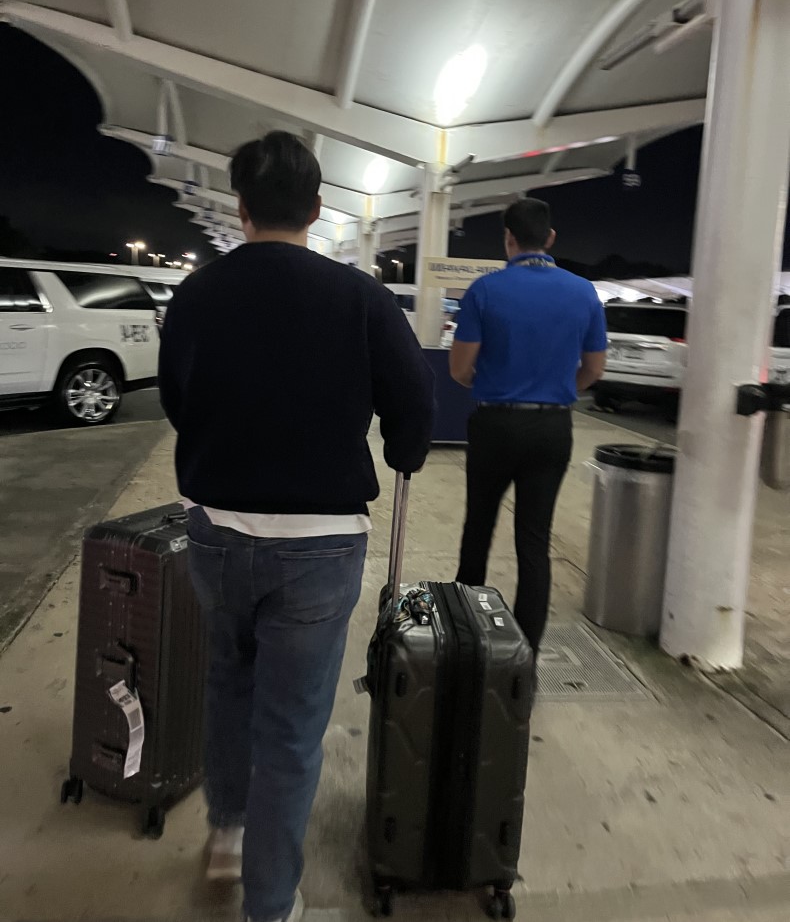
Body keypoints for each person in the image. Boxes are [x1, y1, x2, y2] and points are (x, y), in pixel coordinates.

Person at [158, 131, 434, 922]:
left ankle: (226, 832)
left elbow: (177, 398)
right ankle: (271, 903)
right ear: (316, 209)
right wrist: (402, 449)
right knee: (289, 726)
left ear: (241, 208)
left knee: (228, 681)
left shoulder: (197, 294)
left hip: (217, 531)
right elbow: (414, 407)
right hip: (321, 543)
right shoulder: (362, 297)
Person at [449, 197, 606, 661]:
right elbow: (594, 369)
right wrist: (560, 389)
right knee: (534, 542)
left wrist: (493, 383)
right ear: (550, 238)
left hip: (495, 425)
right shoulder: (583, 292)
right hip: (552, 428)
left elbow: (459, 369)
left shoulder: (484, 290)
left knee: (478, 528)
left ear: (508, 238)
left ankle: (464, 642)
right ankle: (526, 660)